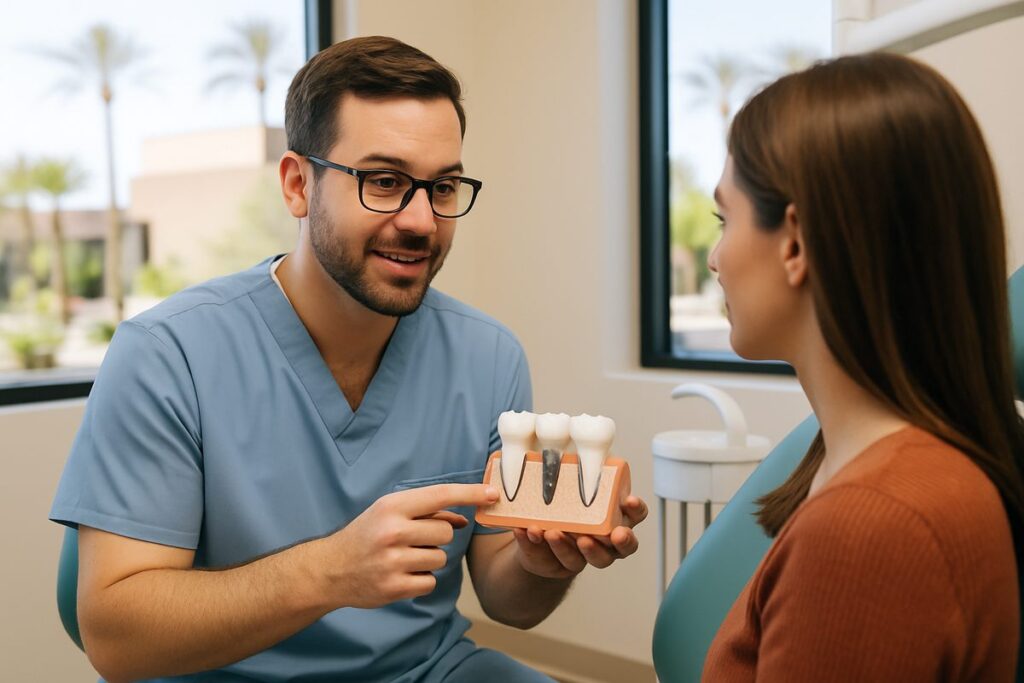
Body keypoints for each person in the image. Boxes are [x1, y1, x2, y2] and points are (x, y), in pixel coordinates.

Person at [50, 36, 647, 683]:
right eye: (385, 182)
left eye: (443, 186)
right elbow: (115, 637)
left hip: (427, 670)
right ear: (298, 184)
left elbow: (507, 598)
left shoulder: (488, 354)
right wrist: (329, 571)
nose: (422, 219)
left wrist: (540, 562)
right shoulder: (168, 356)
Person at [701, 52, 1023, 681]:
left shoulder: (873, 530)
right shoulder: (877, 465)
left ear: (794, 243)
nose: (715, 257)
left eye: (724, 219)